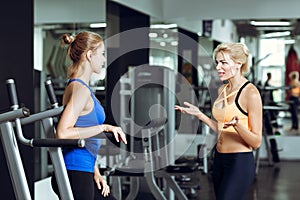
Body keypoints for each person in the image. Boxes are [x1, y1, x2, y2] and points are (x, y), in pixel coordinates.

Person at [175, 42, 262, 200]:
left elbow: (256, 142)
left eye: (223, 62)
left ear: (238, 63)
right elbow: (222, 129)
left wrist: (238, 126)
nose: (218, 67)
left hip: (239, 162)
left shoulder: (251, 93)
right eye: (217, 62)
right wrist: (200, 115)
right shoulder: (223, 89)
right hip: (219, 158)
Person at [50, 31, 127, 200]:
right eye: (103, 54)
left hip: (85, 169)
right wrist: (105, 127)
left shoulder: (81, 87)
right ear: (90, 55)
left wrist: (96, 172)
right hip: (75, 171)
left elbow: (83, 132)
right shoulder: (80, 89)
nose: (104, 60)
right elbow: (63, 133)